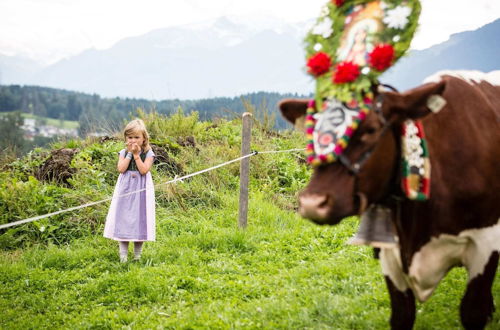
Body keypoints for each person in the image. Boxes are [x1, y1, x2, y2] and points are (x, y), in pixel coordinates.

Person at [104, 119, 156, 262]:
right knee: (124, 219)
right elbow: (121, 169)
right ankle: (123, 257)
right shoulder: (123, 152)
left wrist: (137, 156)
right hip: (125, 189)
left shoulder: (149, 153)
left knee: (140, 219)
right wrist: (129, 154)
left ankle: (137, 256)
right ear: (126, 138)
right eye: (130, 137)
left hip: (141, 189)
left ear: (144, 138)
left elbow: (144, 170)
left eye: (137, 137)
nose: (133, 140)